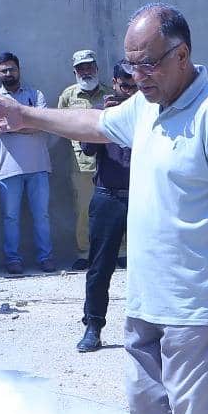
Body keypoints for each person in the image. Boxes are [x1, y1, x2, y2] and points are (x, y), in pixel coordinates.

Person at [0, 4, 208, 414]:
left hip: (197, 310)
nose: (137, 76)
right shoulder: (146, 107)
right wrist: (24, 116)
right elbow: (93, 124)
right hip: (145, 304)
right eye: (131, 64)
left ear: (182, 55)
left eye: (147, 63)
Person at [76, 62, 136, 354]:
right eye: (125, 86)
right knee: (100, 267)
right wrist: (103, 119)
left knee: (150, 265)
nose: (130, 92)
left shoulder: (150, 110)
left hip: (143, 198)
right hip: (108, 197)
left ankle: (155, 328)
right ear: (114, 83)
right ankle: (93, 326)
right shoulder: (104, 113)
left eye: (135, 87)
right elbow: (87, 149)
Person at [0, 51, 54, 275]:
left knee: (42, 216)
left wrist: (17, 125)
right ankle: (13, 259)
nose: (9, 73)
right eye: (4, 70)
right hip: (8, 169)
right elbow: (1, 127)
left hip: (39, 166)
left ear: (19, 70)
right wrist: (30, 123)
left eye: (12, 69)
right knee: (10, 218)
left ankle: (46, 257)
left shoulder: (35, 95)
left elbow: (44, 123)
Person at [57, 49, 108, 268]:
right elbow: (59, 124)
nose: (86, 71)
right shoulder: (68, 96)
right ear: (75, 72)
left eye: (89, 66)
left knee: (114, 209)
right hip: (82, 164)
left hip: (110, 163)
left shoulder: (109, 93)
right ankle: (85, 253)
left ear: (96, 68)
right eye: (81, 68)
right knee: (84, 211)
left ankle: (120, 250)